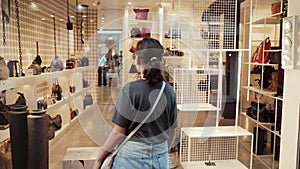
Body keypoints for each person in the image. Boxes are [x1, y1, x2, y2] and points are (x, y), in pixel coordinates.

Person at [93, 38, 178, 169]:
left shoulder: (129, 90)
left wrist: (99, 158)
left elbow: (118, 133)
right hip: (160, 160)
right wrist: (159, 151)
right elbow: (172, 131)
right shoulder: (169, 91)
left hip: (131, 160)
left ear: (138, 59)